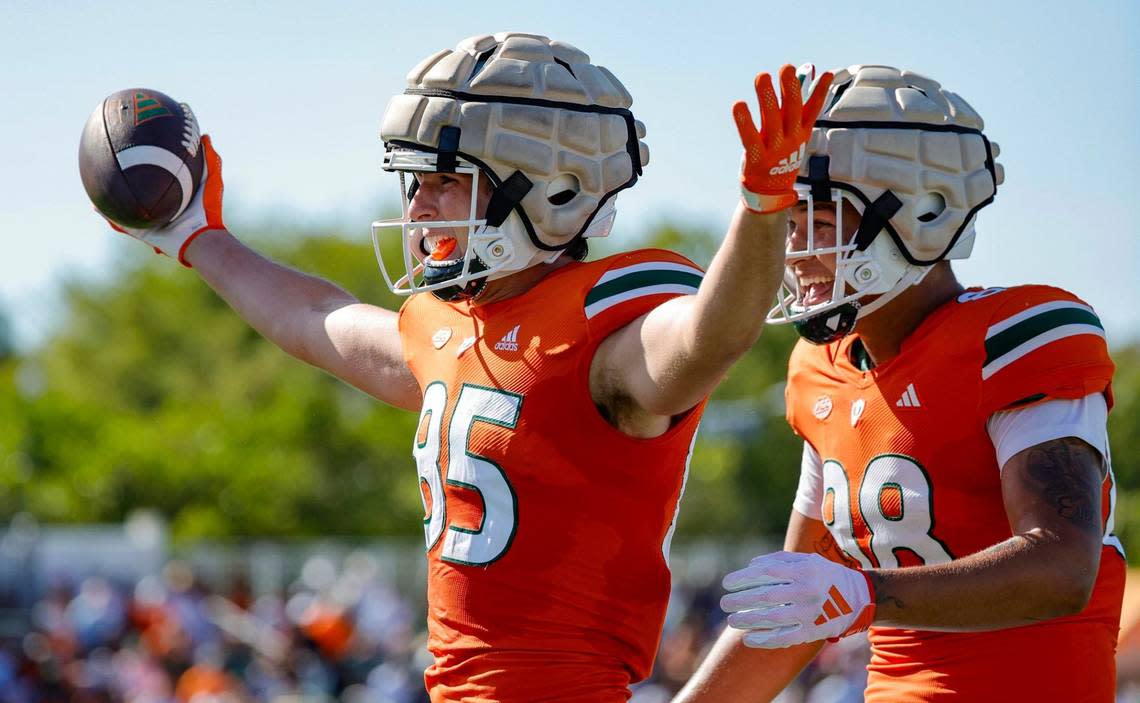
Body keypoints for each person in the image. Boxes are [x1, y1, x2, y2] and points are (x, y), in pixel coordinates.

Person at [101, 33, 832, 701]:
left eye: (444, 180)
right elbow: (314, 318)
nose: (419, 209)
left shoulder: (609, 328)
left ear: (553, 190)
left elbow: (711, 334)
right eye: (414, 182)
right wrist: (197, 234)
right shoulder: (450, 330)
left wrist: (761, 210)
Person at [675, 64, 1123, 702]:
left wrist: (864, 593)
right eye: (792, 225)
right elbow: (796, 609)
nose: (798, 252)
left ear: (923, 217)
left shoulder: (1015, 337)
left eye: (823, 224)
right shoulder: (818, 370)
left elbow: (1061, 565)